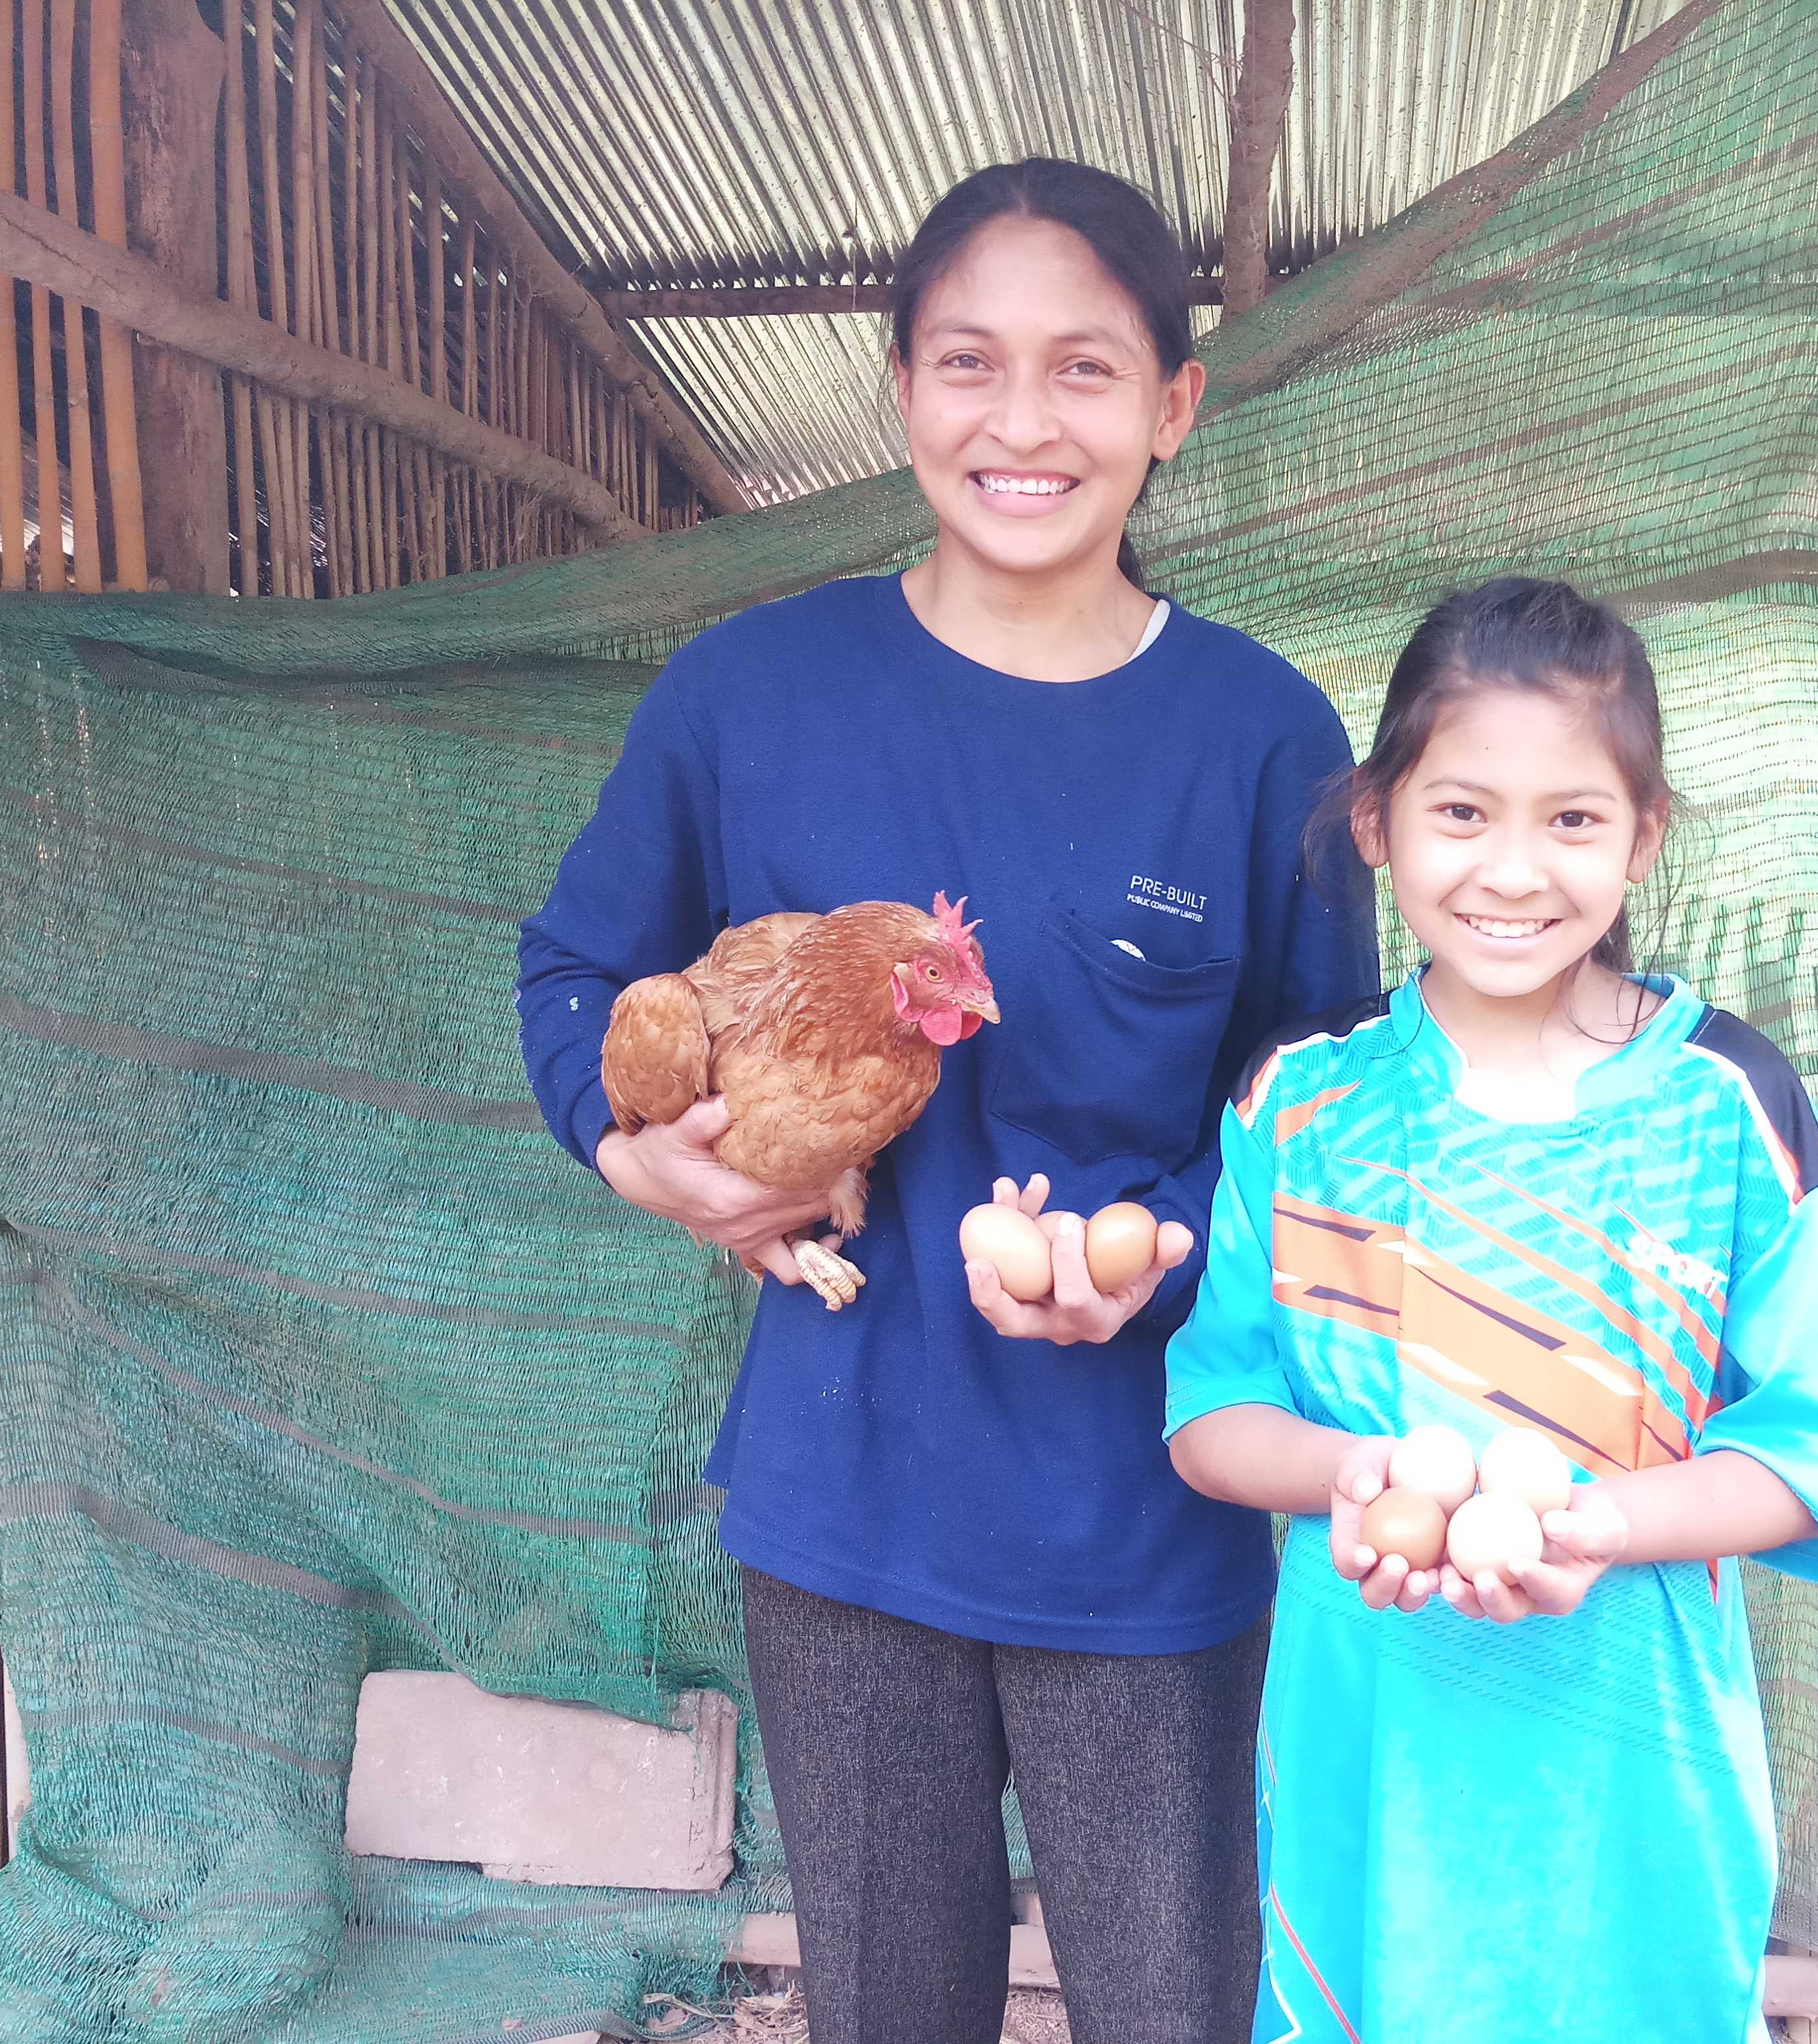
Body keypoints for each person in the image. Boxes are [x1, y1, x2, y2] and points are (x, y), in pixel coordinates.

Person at [514, 160, 1377, 2044]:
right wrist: (636, 1147)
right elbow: (577, 971)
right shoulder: (751, 694)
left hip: (1153, 1520)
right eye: (969, 362)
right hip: (850, 1503)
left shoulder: (1260, 737)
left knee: (1172, 2008)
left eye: (1085, 371)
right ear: (898, 386)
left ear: (1173, 408)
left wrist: (1164, 1252)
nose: (1020, 422)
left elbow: (1337, 1128)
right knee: (891, 2009)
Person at [1163, 578, 1818, 2044]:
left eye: (1572, 819)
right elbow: (1211, 1417)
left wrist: (1594, 1528)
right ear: (1377, 823)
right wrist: (1352, 1476)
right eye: (1462, 813)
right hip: (1372, 1753)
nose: (1513, 869)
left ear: (1644, 835)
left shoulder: (1729, 1108)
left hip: (1632, 1768)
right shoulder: (1300, 1106)